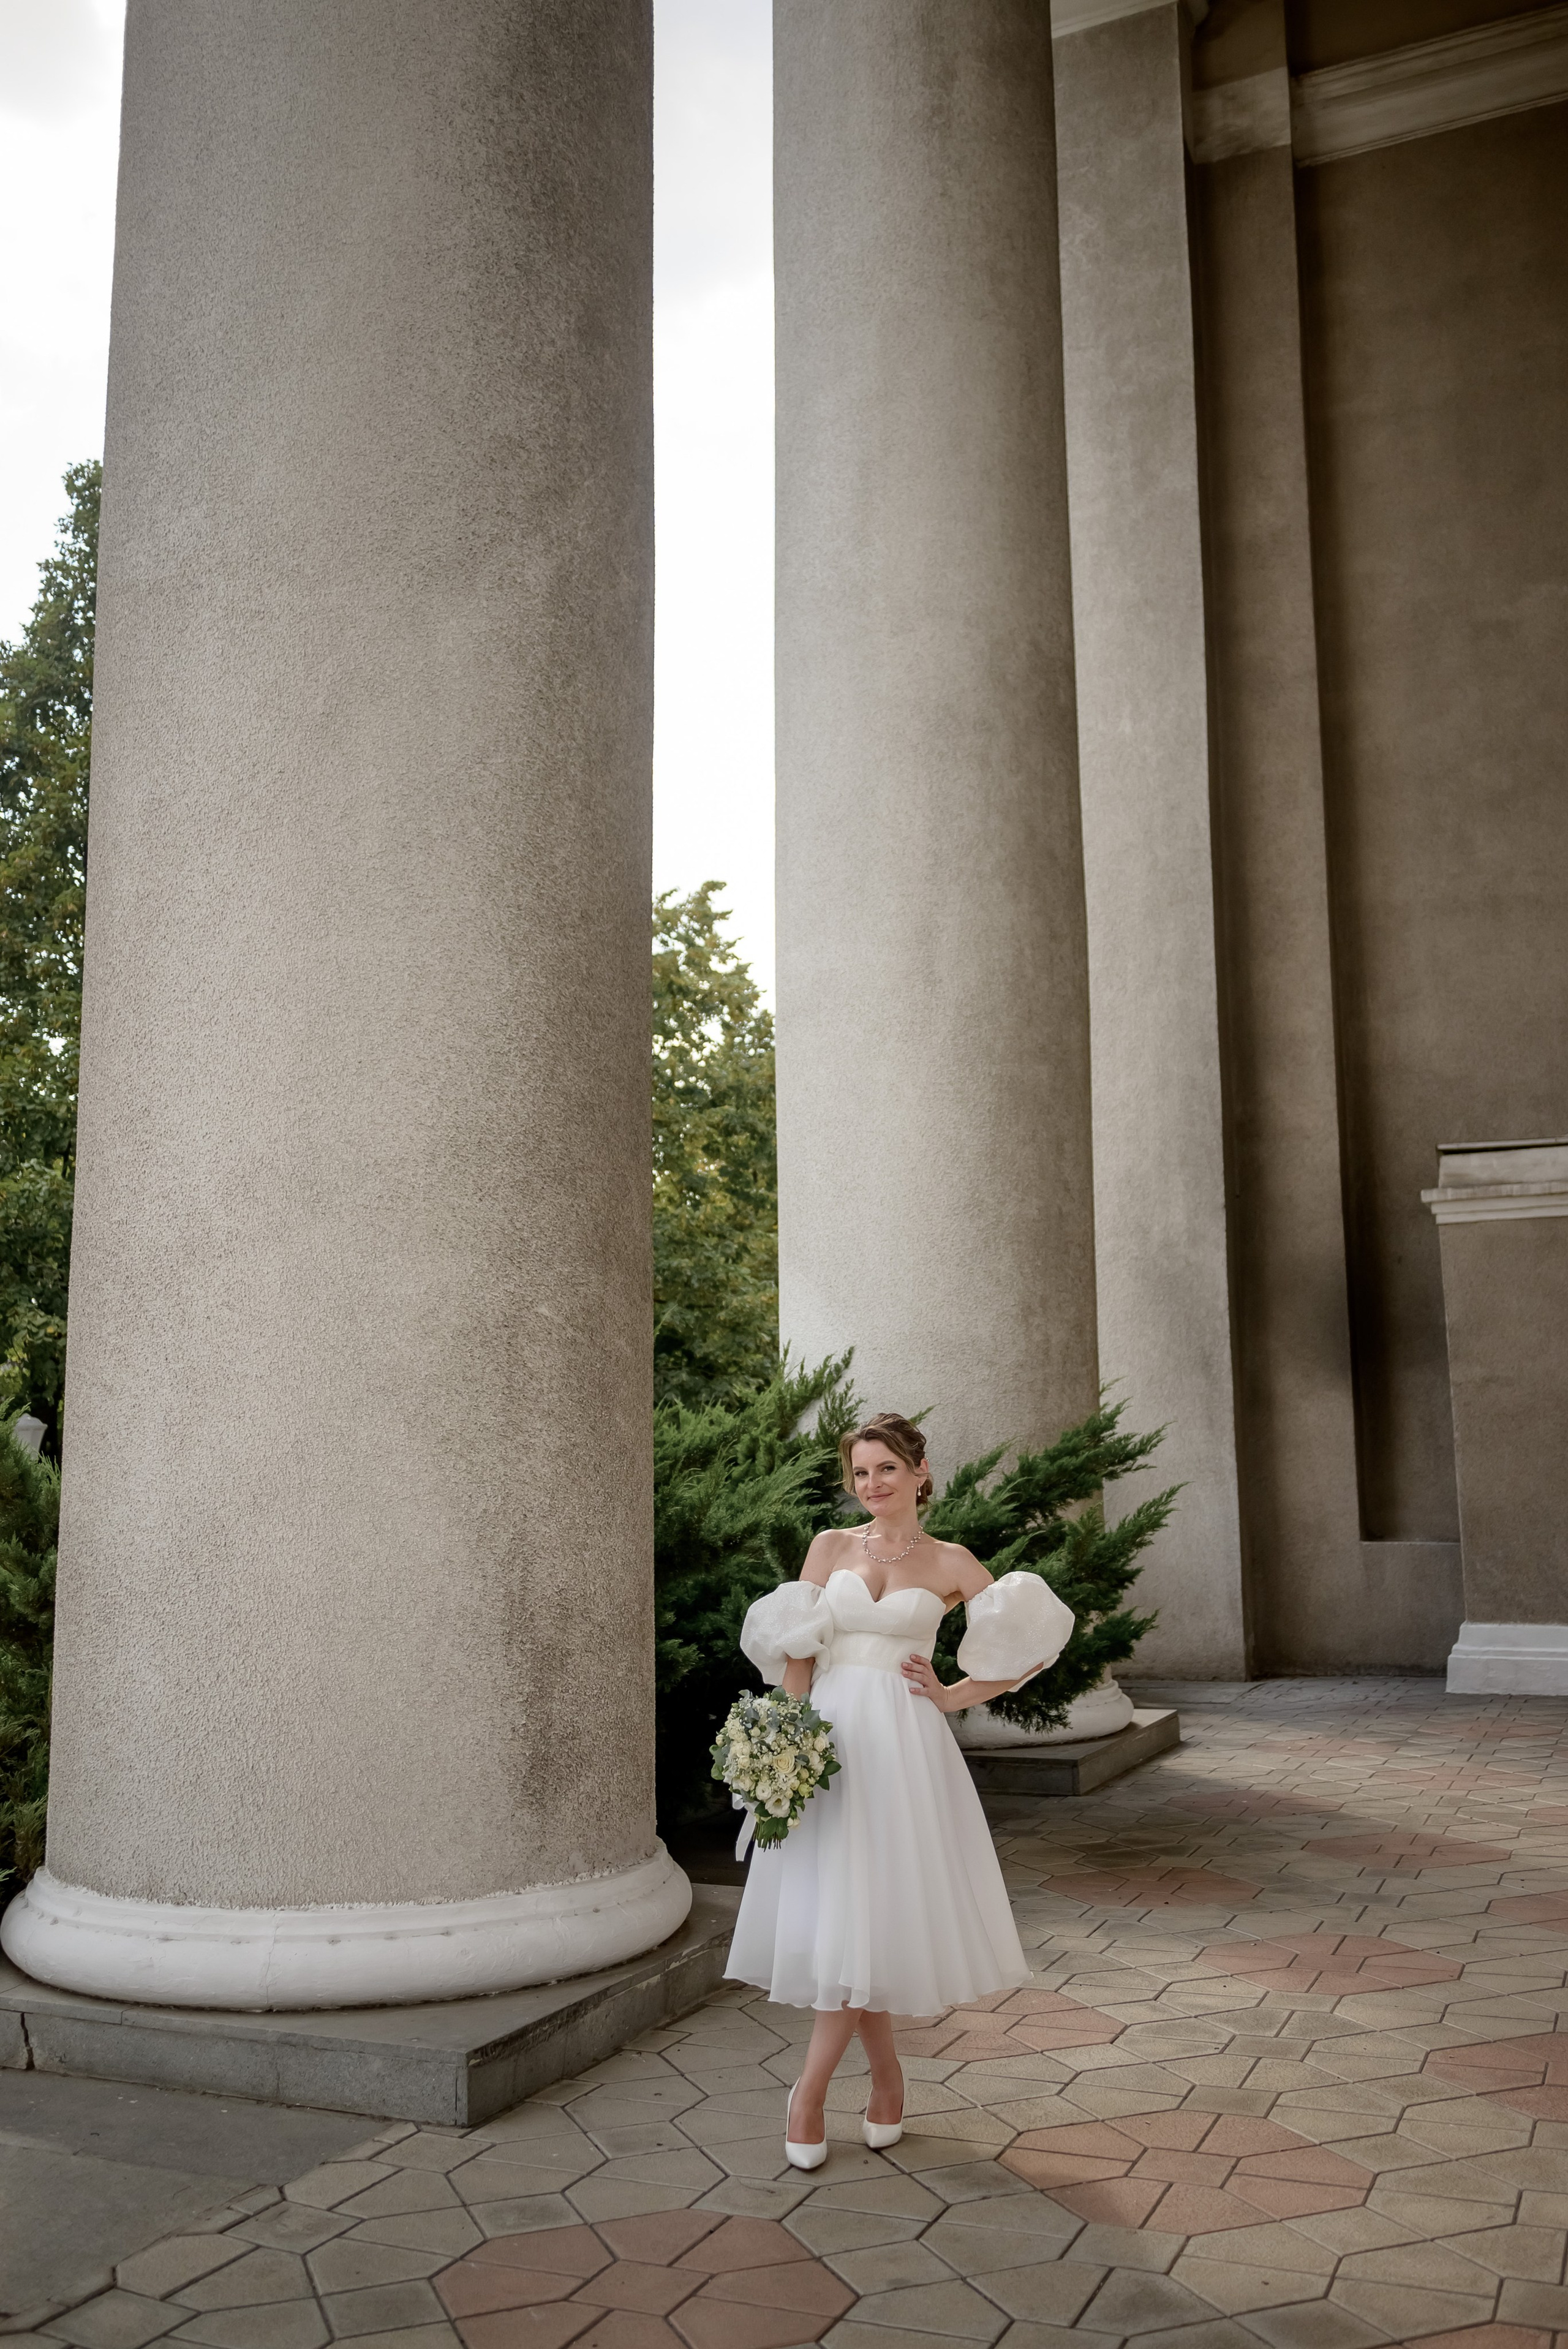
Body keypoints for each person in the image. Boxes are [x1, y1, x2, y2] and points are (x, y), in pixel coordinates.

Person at [725, 1411, 1074, 2170]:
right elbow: (797, 1650)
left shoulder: (952, 1561)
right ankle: (885, 2082)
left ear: (919, 1472)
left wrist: (952, 1694)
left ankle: (810, 2093)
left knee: (870, 1913)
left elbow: (1028, 1645)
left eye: (886, 1468)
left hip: (904, 1749)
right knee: (850, 1919)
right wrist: (784, 1739)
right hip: (828, 1744)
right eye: (860, 1472)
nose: (871, 1483)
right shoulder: (830, 1546)